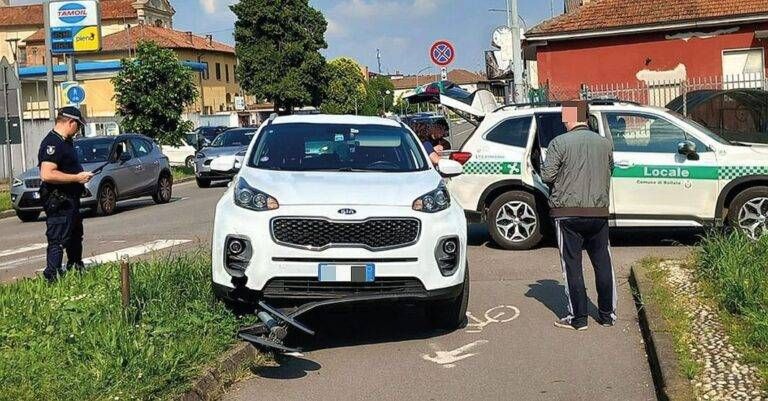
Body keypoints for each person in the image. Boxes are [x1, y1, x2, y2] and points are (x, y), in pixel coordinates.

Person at [541, 101, 616, 331]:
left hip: (567, 213)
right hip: (598, 211)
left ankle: (578, 318)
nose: (564, 121)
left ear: (571, 117)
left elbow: (547, 175)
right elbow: (610, 168)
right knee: (603, 262)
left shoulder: (559, 143)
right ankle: (607, 315)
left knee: (572, 265)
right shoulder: (605, 144)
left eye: (565, 117)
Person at [38, 107, 93, 283]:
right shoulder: (52, 144)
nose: (78, 130)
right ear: (70, 122)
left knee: (75, 236)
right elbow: (47, 174)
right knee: (58, 239)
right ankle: (52, 277)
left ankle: (75, 267)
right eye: (78, 125)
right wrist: (76, 177)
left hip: (71, 199)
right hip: (59, 200)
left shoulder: (66, 141)